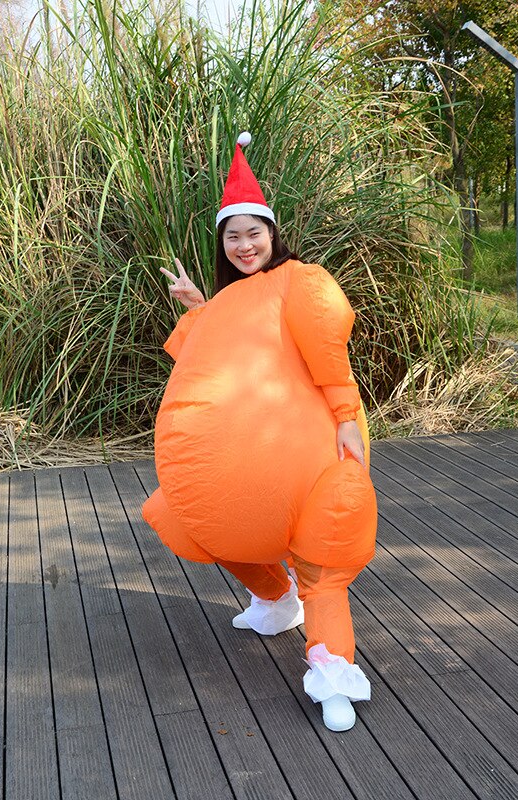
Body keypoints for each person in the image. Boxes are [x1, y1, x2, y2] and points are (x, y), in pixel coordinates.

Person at [142, 132, 378, 732]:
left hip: (315, 451)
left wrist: (348, 421)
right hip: (247, 467)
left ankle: (332, 673)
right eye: (233, 236)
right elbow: (207, 369)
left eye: (255, 232)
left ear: (272, 234)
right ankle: (276, 599)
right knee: (180, 517)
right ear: (222, 243)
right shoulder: (228, 302)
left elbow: (327, 344)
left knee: (324, 554)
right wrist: (201, 305)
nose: (245, 245)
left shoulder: (298, 279)